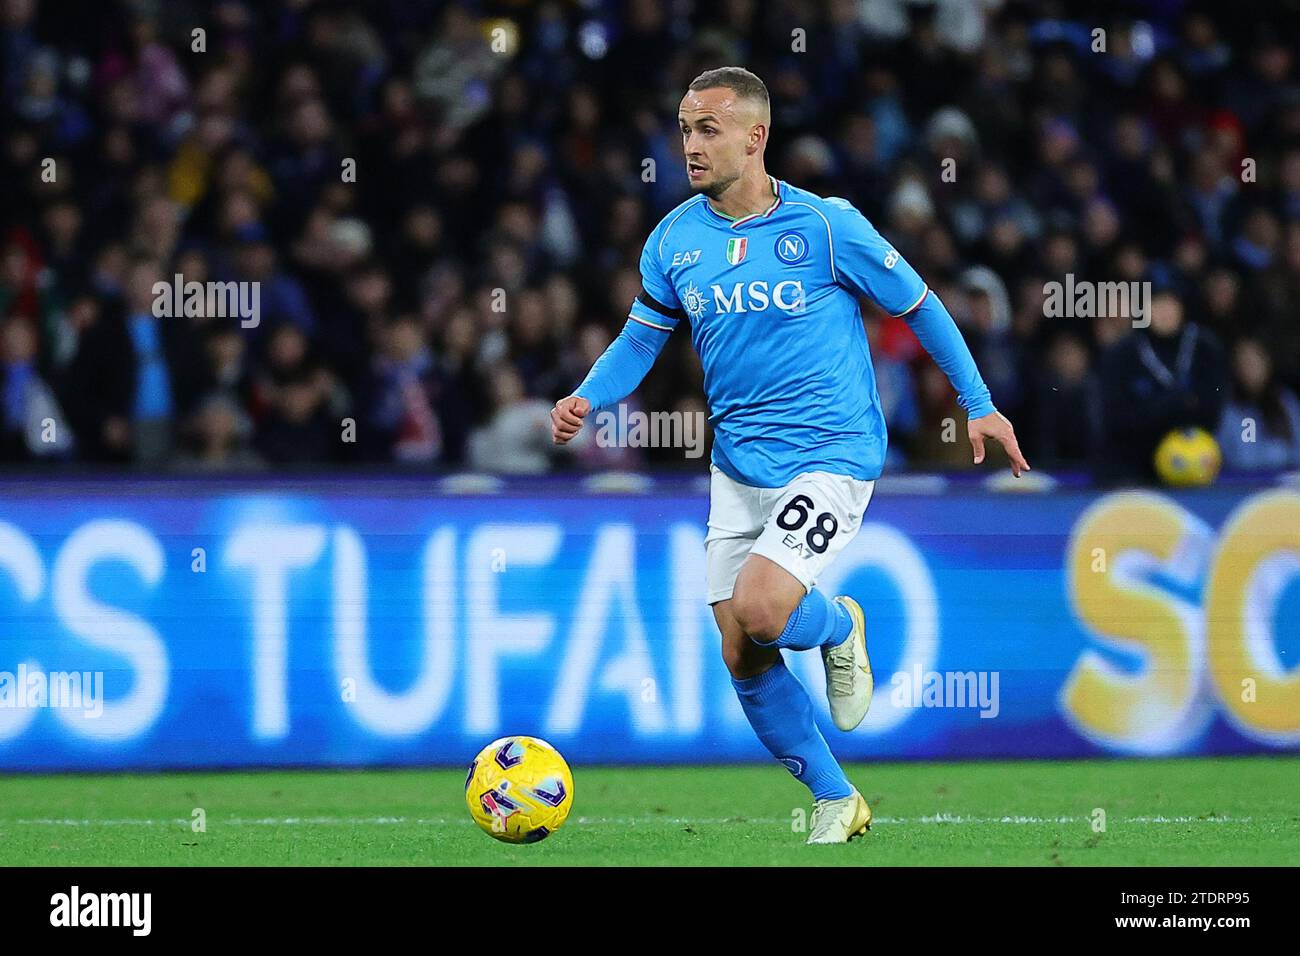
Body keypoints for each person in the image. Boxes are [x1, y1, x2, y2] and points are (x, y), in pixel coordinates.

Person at [550, 68, 1027, 844]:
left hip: (831, 453)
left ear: (755, 137)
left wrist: (979, 404)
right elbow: (642, 337)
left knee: (764, 607)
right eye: (684, 128)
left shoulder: (829, 227)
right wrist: (588, 396)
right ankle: (839, 800)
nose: (692, 145)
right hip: (737, 466)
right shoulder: (674, 240)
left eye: (709, 129)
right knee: (741, 649)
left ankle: (837, 626)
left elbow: (920, 305)